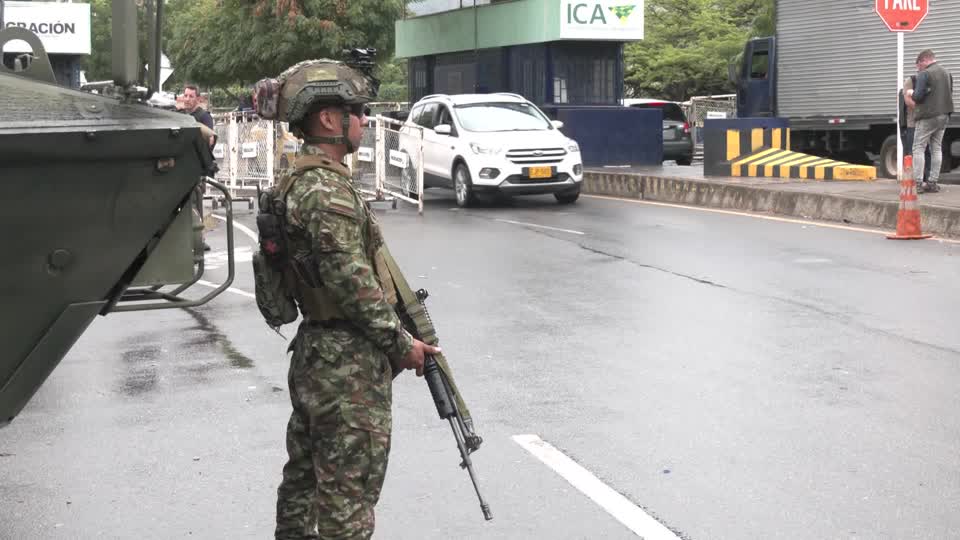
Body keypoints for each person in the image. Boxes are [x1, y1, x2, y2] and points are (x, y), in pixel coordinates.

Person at [261, 59, 440, 540]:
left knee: (304, 480)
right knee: (348, 497)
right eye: (356, 111)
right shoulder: (327, 192)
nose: (363, 120)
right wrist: (401, 343)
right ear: (328, 119)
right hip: (347, 364)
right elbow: (352, 283)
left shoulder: (301, 180)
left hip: (318, 353)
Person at [906, 49, 954, 193]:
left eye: (919, 65)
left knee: (918, 147)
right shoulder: (947, 73)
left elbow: (918, 97)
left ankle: (918, 183)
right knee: (936, 148)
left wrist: (911, 92)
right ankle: (932, 182)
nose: (918, 69)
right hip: (944, 115)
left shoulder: (925, 73)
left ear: (924, 60)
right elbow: (949, 93)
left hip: (927, 116)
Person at [900, 75, 931, 183]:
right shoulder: (911, 81)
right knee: (912, 152)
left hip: (926, 123)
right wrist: (923, 110)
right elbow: (908, 101)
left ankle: (926, 179)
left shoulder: (930, 80)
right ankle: (913, 180)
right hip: (912, 124)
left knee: (926, 152)